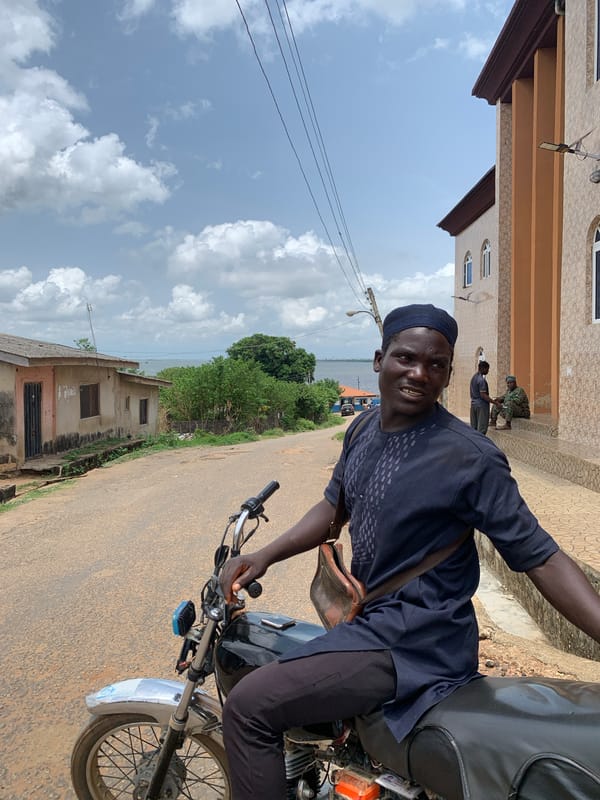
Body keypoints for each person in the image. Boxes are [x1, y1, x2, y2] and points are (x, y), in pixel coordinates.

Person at [220, 303, 600, 800]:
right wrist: (265, 554)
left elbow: (540, 556)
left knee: (250, 706)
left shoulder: (470, 457)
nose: (420, 373)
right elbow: (334, 505)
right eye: (406, 358)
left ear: (448, 374)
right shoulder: (362, 430)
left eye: (436, 364)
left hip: (421, 642)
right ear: (380, 360)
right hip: (372, 625)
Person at [469, 359, 492, 434]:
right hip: (481, 406)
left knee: (474, 428)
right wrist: (495, 402)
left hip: (473, 405)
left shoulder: (474, 378)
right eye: (487, 369)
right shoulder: (481, 380)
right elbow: (483, 395)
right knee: (481, 428)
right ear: (483, 368)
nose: (488, 371)